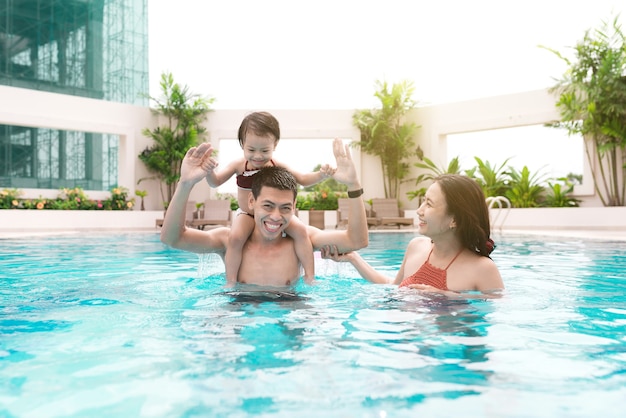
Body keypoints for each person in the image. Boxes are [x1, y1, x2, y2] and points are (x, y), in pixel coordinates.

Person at [160, 138, 369, 288]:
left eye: (285, 208)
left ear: (294, 206)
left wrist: (353, 184)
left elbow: (356, 240)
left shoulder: (302, 239)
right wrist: (185, 184)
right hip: (241, 319)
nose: (276, 217)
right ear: (252, 202)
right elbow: (172, 239)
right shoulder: (229, 241)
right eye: (268, 206)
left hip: (290, 317)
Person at [204, 111, 333, 285]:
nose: (258, 156)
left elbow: (302, 179)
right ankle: (231, 281)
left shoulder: (276, 165)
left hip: (274, 214)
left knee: (301, 232)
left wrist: (321, 175)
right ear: (242, 144)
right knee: (234, 238)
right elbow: (215, 182)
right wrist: (209, 171)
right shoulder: (239, 165)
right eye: (251, 150)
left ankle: (310, 277)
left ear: (275, 145)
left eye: (265, 150)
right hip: (247, 214)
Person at [322, 174, 504, 297]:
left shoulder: (482, 269)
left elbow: (499, 311)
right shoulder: (416, 246)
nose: (419, 210)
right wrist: (353, 258)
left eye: (429, 204)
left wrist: (447, 297)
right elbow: (392, 285)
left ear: (454, 220)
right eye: (422, 201)